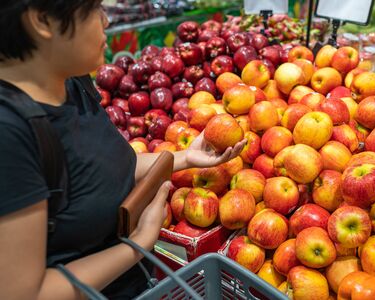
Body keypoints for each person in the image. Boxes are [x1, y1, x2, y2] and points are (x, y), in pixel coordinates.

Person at [0, 1, 245, 299]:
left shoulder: (72, 83)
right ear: (42, 21)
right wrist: (138, 244)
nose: (105, 20)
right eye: (93, 9)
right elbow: (24, 293)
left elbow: (101, 170)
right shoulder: (10, 133)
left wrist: (185, 158)